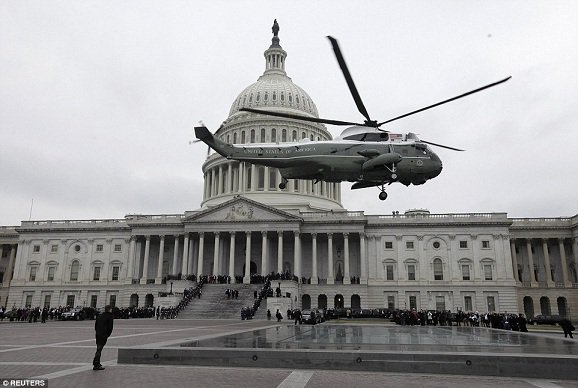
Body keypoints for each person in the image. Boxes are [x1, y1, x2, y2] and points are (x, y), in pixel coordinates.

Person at [93, 305, 114, 371]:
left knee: (98, 348)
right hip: (104, 335)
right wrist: (107, 335)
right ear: (110, 309)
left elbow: (95, 326)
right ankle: (96, 364)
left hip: (98, 334)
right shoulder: (110, 316)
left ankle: (95, 362)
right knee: (99, 349)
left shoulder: (99, 316)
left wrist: (97, 332)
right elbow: (110, 328)